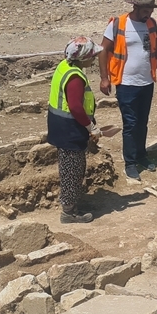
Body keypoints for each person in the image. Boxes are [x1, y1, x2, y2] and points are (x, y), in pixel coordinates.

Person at [98, 0, 157, 181]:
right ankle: (130, 163)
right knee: (130, 124)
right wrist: (104, 78)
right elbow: (103, 50)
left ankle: (141, 156)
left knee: (142, 122)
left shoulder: (151, 24)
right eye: (146, 10)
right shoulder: (118, 24)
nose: (149, 14)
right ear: (135, 7)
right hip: (126, 83)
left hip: (146, 82)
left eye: (151, 11)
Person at [48, 37, 104, 224]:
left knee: (69, 168)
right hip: (70, 129)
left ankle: (71, 204)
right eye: (91, 56)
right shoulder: (75, 77)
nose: (94, 59)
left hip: (61, 126)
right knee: (73, 170)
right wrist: (91, 127)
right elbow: (75, 107)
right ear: (82, 58)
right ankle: (69, 212)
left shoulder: (65, 66)